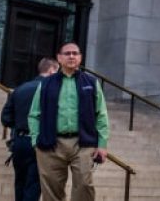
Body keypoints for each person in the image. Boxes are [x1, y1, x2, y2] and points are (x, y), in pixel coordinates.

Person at [28, 43, 110, 201]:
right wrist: (35, 141)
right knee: (51, 192)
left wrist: (102, 144)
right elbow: (34, 114)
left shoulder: (91, 82)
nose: (71, 56)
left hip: (83, 144)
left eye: (75, 53)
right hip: (50, 144)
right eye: (67, 53)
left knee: (85, 186)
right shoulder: (45, 83)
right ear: (59, 58)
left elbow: (101, 114)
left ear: (80, 58)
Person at [1, 57, 59, 201]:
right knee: (33, 187)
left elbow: (6, 119)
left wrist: (21, 123)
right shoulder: (52, 90)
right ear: (52, 70)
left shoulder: (20, 89)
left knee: (20, 185)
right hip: (39, 143)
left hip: (19, 142)